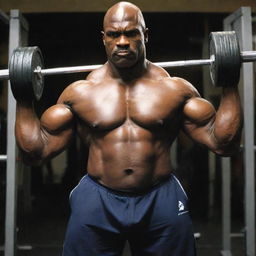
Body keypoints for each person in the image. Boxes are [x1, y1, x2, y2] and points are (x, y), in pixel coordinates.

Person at [15, 2, 243, 255]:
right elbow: (34, 152)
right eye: (114, 34)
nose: (122, 41)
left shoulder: (175, 90)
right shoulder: (81, 94)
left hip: (160, 195)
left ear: (145, 35)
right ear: (104, 39)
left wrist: (230, 82)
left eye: (131, 33)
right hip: (98, 196)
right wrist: (24, 95)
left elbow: (224, 143)